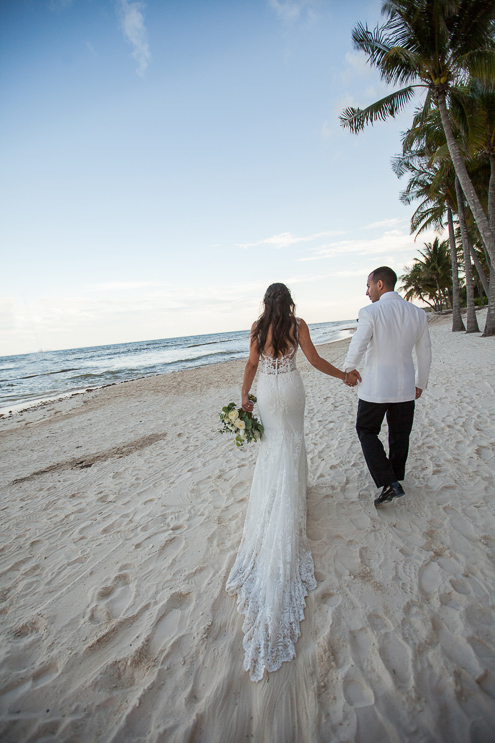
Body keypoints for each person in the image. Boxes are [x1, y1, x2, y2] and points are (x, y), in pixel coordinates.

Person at [226, 283, 360, 682]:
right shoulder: (298, 325)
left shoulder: (256, 326)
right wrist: (343, 376)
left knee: (273, 449)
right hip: (293, 391)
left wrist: (245, 395)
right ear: (290, 302)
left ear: (267, 303)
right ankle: (294, 493)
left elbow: (251, 365)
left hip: (268, 392)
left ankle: (282, 495)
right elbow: (315, 360)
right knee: (293, 443)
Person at [344, 266, 431, 508]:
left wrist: (348, 369)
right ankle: (394, 479)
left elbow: (359, 343)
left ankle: (390, 482)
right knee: (400, 436)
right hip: (405, 386)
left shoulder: (371, 311)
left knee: (366, 430)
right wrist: (420, 382)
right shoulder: (417, 313)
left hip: (376, 387)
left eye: (368, 285)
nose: (367, 292)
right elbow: (424, 352)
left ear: (380, 284)